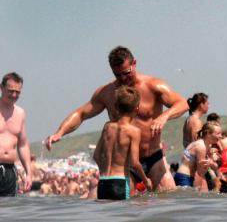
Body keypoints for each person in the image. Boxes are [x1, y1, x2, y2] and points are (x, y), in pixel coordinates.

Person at [46, 47, 188, 191]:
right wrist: (60, 132)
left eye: (126, 73)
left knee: (169, 199)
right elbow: (81, 114)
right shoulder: (107, 93)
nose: (123, 78)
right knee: (123, 209)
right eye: (117, 75)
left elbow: (182, 103)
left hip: (154, 157)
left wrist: (164, 117)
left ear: (134, 63)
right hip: (126, 164)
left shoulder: (154, 86)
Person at [93, 86, 151, 200]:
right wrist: (146, 180)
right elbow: (135, 163)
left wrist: (104, 172)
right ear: (137, 108)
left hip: (103, 183)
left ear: (116, 106)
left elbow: (96, 156)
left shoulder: (107, 127)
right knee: (123, 216)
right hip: (119, 183)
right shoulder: (134, 131)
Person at [0, 72, 32, 197]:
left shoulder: (20, 113)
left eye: (18, 92)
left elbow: (23, 145)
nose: (14, 95)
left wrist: (29, 173)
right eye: (10, 91)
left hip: (10, 171)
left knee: (9, 212)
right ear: (1, 88)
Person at [174, 122, 221, 189]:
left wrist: (211, 160)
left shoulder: (207, 145)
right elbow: (200, 172)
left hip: (187, 177)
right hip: (184, 176)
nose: (220, 136)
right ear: (208, 134)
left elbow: (214, 167)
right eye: (218, 133)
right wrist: (211, 161)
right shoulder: (201, 146)